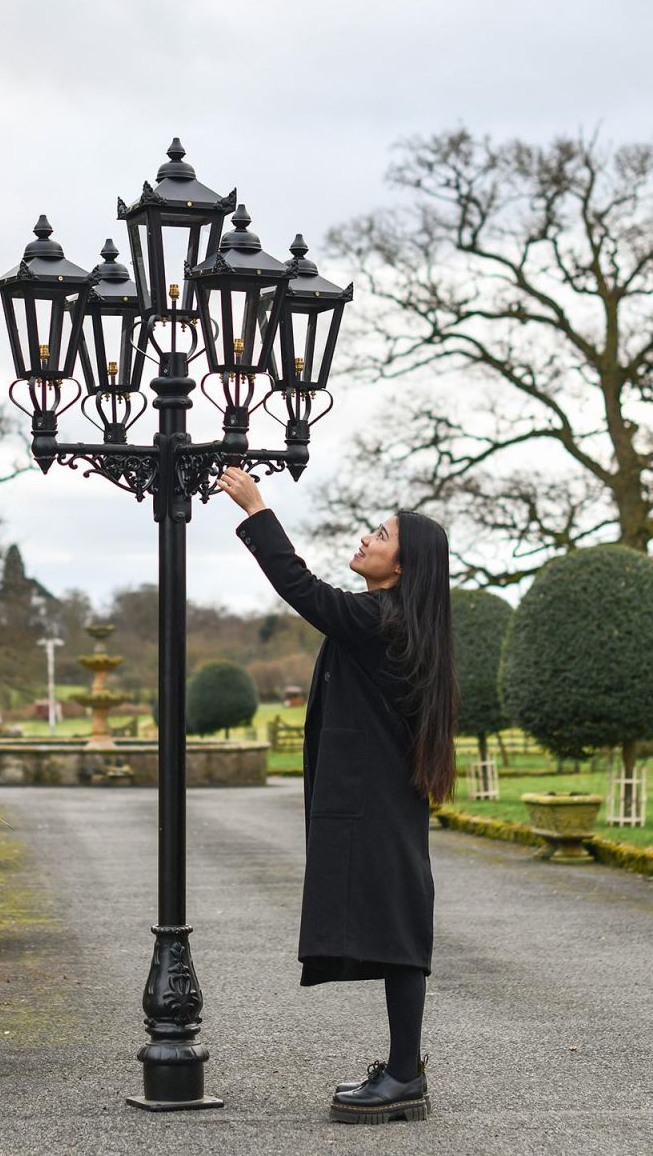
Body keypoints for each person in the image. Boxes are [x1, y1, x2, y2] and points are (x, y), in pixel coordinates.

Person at [216, 466, 458, 1125]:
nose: (365, 537)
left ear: (403, 568)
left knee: (401, 930)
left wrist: (257, 508)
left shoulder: (381, 619)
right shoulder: (394, 619)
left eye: (379, 535)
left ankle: (406, 1077)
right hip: (383, 796)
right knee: (397, 922)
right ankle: (404, 1070)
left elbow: (303, 590)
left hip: (375, 800)